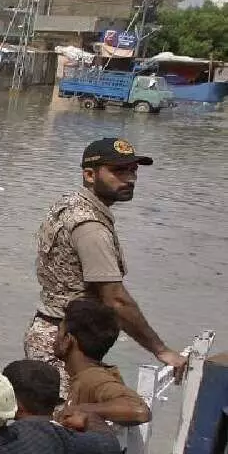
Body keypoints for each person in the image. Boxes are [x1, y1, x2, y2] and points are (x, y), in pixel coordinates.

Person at [25, 137, 186, 388]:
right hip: (66, 345)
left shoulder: (70, 203)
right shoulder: (91, 227)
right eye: (118, 171)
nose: (130, 178)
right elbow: (116, 300)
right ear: (90, 175)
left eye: (133, 170)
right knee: (68, 423)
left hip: (54, 331)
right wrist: (161, 350)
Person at [54, 298, 152, 454]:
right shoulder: (91, 376)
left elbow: (139, 410)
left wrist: (83, 408)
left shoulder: (93, 379)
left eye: (60, 331)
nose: (56, 338)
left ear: (69, 341)